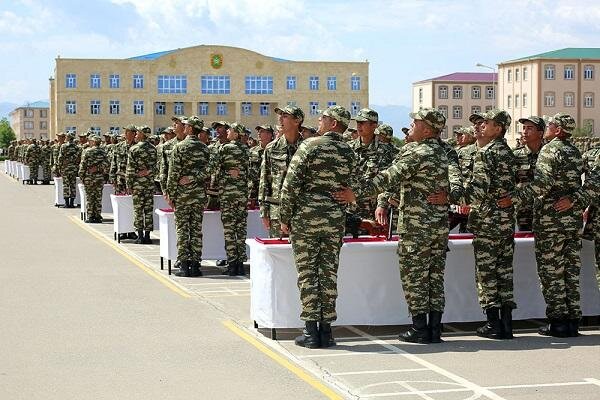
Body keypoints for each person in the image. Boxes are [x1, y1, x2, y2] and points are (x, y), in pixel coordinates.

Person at [334, 108, 450, 344]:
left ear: (427, 129)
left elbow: (388, 177)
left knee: (415, 277)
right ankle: (434, 329)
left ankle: (419, 329)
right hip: (439, 225)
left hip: (417, 228)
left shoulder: (417, 153)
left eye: (416, 122)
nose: (412, 125)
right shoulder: (443, 152)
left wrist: (354, 193)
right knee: (435, 278)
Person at [279, 105, 357, 349]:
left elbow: (290, 185)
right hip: (334, 219)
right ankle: (326, 331)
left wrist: (285, 217)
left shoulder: (310, 145)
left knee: (308, 274)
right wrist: (351, 197)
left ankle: (312, 331)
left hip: (306, 218)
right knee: (328, 273)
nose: (319, 121)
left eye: (323, 118)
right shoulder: (348, 151)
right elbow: (358, 185)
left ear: (334, 123)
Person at [509, 113, 590, 337]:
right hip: (571, 221)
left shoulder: (549, 150)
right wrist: (575, 199)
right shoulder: (574, 152)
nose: (548, 128)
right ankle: (573, 320)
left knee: (551, 273)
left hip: (550, 220)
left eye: (551, 125)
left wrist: (513, 197)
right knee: (571, 272)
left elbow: (542, 185)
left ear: (557, 130)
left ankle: (558, 323)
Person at [463, 109, 517, 340]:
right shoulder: (508, 153)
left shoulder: (487, 154)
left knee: (486, 273)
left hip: (487, 220)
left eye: (487, 122)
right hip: (505, 220)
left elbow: (476, 191)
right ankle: (506, 324)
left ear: (499, 128)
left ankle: (493, 323)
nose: (482, 125)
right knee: (504, 272)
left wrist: (454, 196)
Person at [166, 117, 210, 277]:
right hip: (198, 195)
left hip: (183, 196)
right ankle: (196, 265)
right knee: (196, 230)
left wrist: (170, 194)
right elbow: (208, 171)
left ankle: (184, 265)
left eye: (187, 125)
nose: (184, 127)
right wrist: (194, 178)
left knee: (183, 229)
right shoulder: (205, 149)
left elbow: (173, 173)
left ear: (191, 129)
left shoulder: (179, 147)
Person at [259, 105, 304, 237]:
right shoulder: (272, 148)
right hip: (276, 212)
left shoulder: (308, 147)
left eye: (285, 116)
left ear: (297, 121)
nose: (280, 120)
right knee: (277, 254)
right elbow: (264, 180)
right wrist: (264, 211)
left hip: (302, 212)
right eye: (280, 116)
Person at [217, 122, 250, 276]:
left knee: (230, 230)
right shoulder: (247, 150)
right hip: (242, 195)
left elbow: (214, 171)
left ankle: (232, 264)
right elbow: (253, 173)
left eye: (230, 130)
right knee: (241, 229)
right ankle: (240, 264)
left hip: (228, 196)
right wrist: (240, 175)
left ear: (236, 134)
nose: (228, 131)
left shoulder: (224, 149)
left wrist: (227, 174)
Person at [513, 116, 545, 231]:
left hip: (547, 213)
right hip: (524, 212)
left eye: (530, 128)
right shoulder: (516, 155)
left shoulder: (549, 154)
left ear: (540, 133)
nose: (525, 132)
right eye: (524, 128)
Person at [126, 125, 157, 244]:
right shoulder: (153, 149)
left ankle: (140, 235)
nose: (136, 135)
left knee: (138, 210)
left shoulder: (134, 149)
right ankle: (148, 236)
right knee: (148, 210)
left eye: (138, 133)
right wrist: (148, 171)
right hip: (149, 184)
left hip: (137, 185)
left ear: (143, 135)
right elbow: (156, 166)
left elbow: (130, 169)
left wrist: (129, 184)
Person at [78, 135, 109, 223]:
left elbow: (83, 165)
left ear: (94, 142)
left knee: (90, 197)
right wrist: (99, 168)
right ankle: (98, 216)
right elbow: (107, 164)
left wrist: (81, 176)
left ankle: (91, 216)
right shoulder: (103, 152)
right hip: (99, 178)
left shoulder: (87, 151)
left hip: (89, 178)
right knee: (98, 197)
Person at [248, 125, 274, 208]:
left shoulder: (275, 151)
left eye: (262, 131)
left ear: (270, 135)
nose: (259, 133)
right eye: (258, 131)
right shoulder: (252, 151)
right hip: (253, 191)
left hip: (269, 191)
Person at [57, 132, 81, 208]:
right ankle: (72, 203)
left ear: (68, 138)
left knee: (66, 185)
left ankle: (67, 203)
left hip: (65, 168)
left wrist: (60, 167)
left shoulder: (63, 146)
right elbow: (78, 158)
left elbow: (60, 158)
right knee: (73, 185)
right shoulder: (77, 147)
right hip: (74, 169)